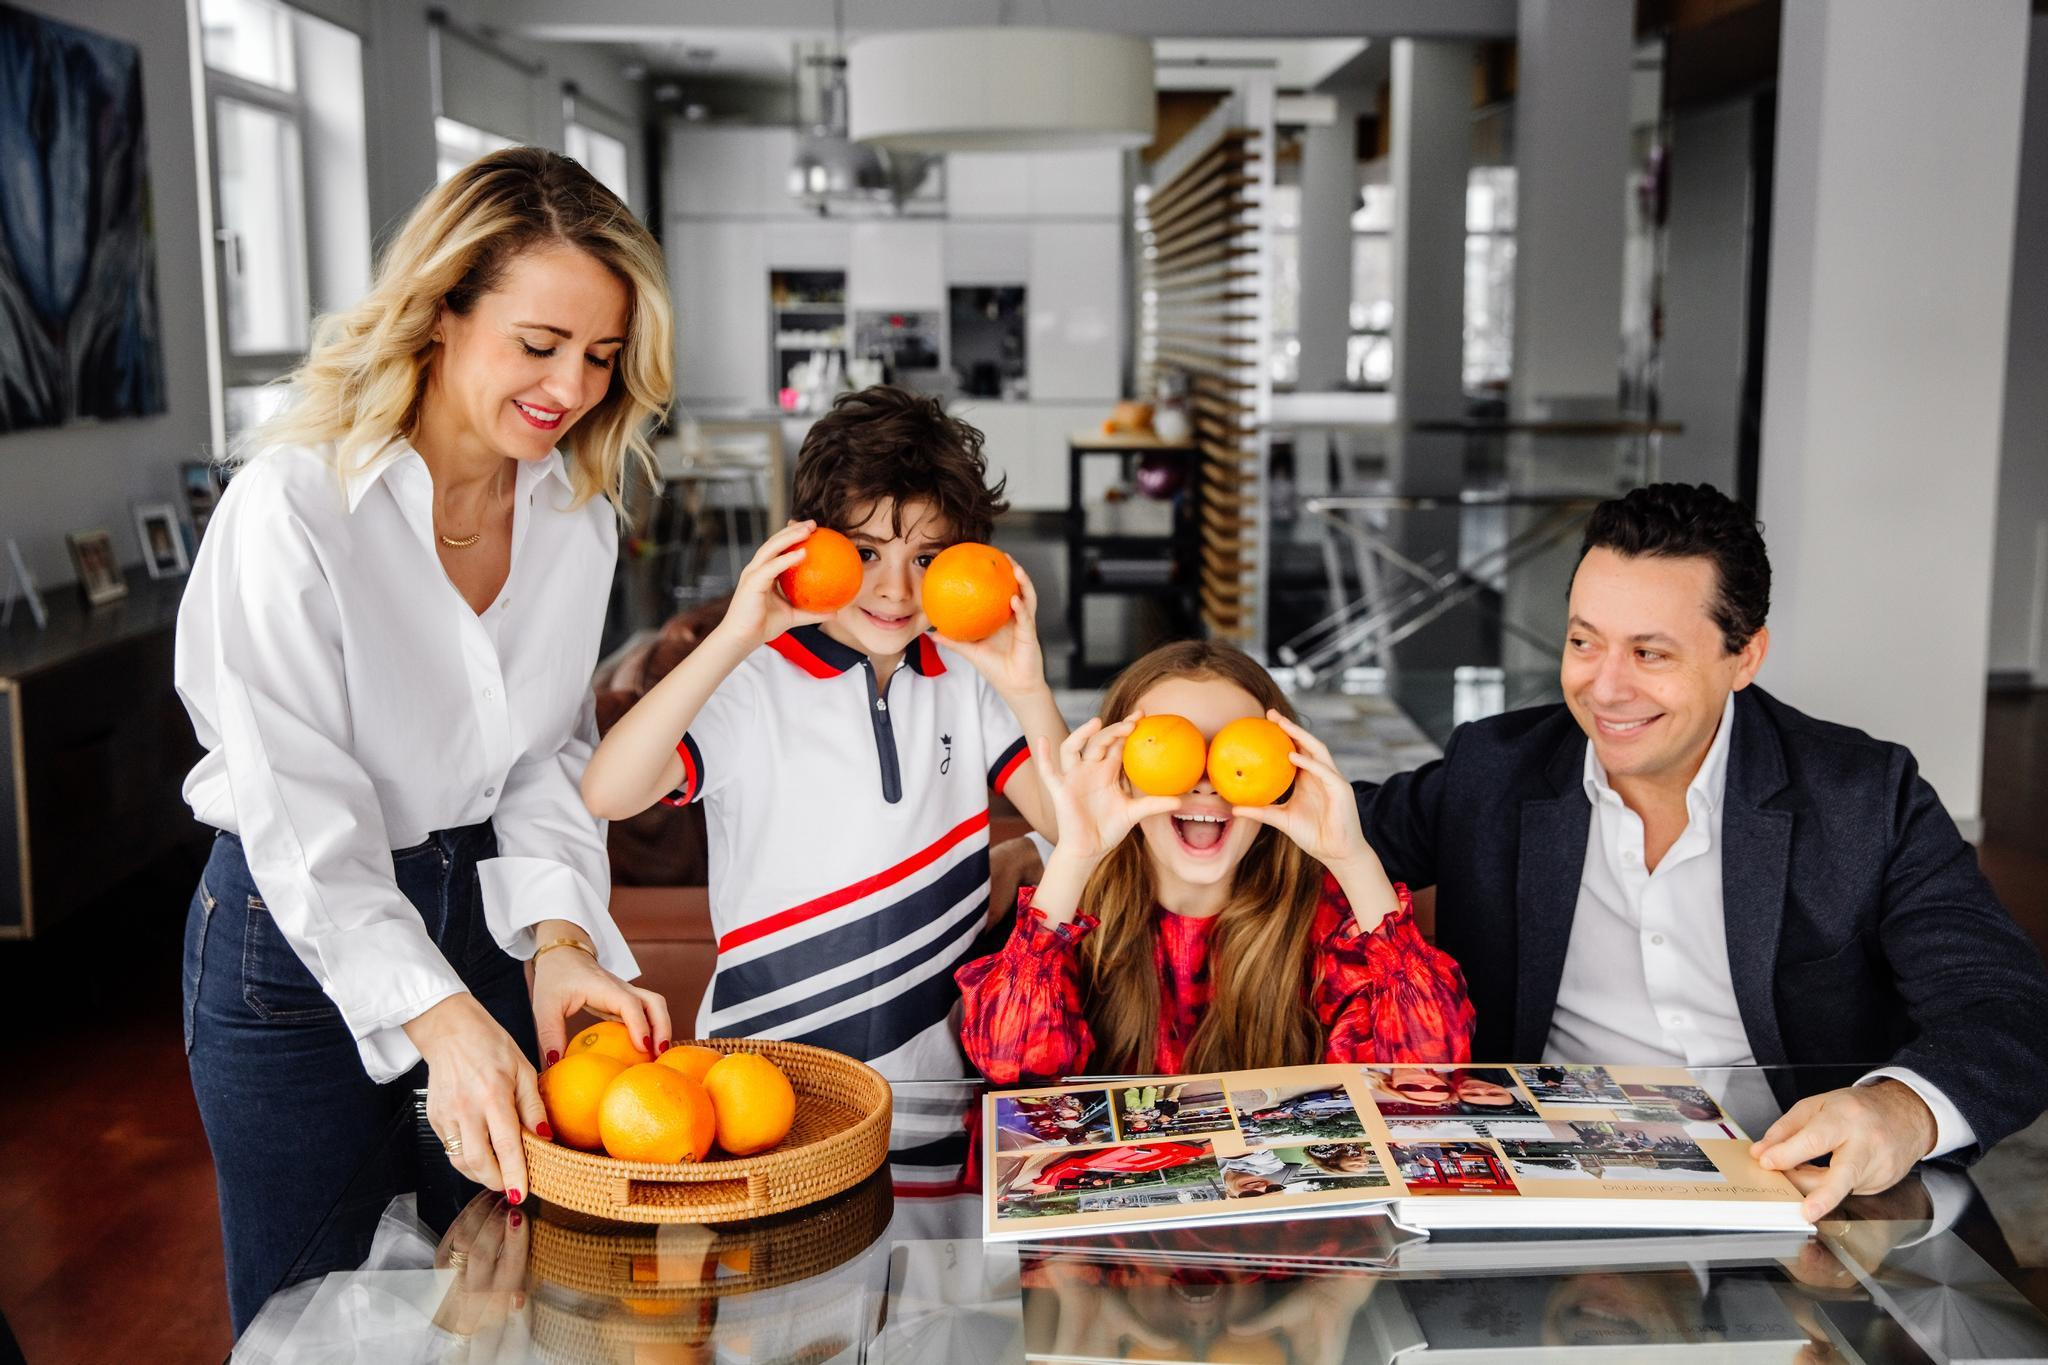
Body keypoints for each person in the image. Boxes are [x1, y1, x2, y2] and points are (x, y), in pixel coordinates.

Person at [177, 147, 673, 1331]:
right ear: (440, 312)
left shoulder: (572, 513)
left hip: (484, 909)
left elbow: (546, 755)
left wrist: (556, 939)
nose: (574, 387)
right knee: (313, 1315)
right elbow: (299, 807)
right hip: (293, 938)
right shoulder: (294, 505)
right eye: (540, 344)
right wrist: (438, 1018)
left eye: (603, 357)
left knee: (507, 1301)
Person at [1350, 482, 2048, 1220]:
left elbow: (2006, 1005)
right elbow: (1328, 825)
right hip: (1544, 1191)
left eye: (1650, 652)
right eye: (1584, 641)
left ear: (1744, 657)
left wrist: (1899, 1110)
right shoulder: (1491, 769)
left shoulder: (1865, 798)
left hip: (1790, 1194)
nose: (1605, 686)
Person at [582, 385, 1065, 1078]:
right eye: (866, 552)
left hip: (936, 1098)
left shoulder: (967, 681)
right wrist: (732, 638)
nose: (896, 590)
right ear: (809, 543)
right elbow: (608, 792)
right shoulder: (751, 685)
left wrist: (1027, 688)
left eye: (927, 559)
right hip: (771, 1093)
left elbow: (1070, 822)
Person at [956, 640, 1474, 1083]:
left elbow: (1426, 1071)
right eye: (1169, 752)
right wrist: (1073, 855)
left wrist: (1353, 857)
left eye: (1235, 753)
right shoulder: (1070, 913)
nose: (1204, 781)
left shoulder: (1322, 917)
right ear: (1119, 773)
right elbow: (1013, 1065)